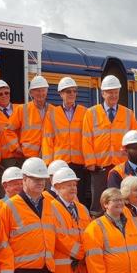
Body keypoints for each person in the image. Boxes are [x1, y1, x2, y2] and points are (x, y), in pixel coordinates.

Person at [81, 75, 137, 215]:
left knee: (123, 200)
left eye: (116, 92)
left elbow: (135, 139)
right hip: (100, 167)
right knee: (99, 203)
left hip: (121, 167)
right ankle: (98, 230)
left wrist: (132, 162)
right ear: (103, 93)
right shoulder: (91, 113)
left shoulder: (128, 114)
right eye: (110, 92)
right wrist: (90, 162)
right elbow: (86, 138)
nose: (113, 95)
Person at [42, 77, 90, 207]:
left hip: (80, 162)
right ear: (61, 94)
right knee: (60, 197)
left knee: (79, 197)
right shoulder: (52, 113)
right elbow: (47, 139)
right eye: (68, 91)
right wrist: (48, 163)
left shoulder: (85, 112)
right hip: (60, 163)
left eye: (74, 91)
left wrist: (89, 161)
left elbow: (89, 137)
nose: (72, 94)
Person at [0, 80, 23, 199]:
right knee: (7, 188)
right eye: (0, 94)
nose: (4, 96)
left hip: (23, 155)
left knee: (24, 187)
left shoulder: (20, 108)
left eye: (6, 93)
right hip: (5, 159)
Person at [7, 76, 52, 159]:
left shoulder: (54, 110)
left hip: (48, 157)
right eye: (37, 90)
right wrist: (16, 147)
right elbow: (9, 130)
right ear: (31, 93)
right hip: (27, 156)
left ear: (47, 91)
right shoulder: (22, 109)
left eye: (43, 90)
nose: (41, 93)